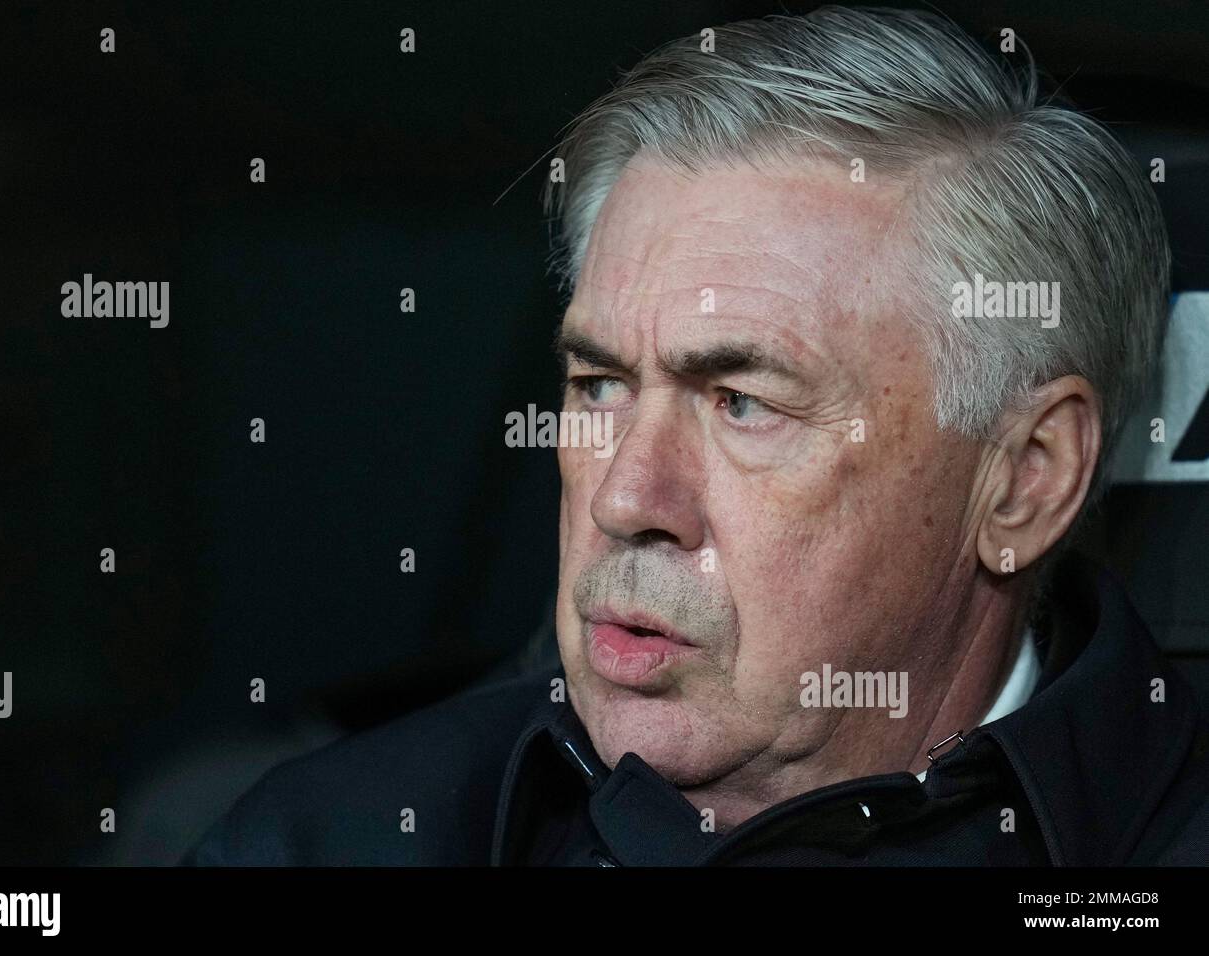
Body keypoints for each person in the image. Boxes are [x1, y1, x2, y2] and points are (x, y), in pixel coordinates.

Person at [185, 6, 1209, 866]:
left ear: (1022, 479)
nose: (625, 498)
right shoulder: (332, 839)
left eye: (742, 402)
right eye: (599, 384)